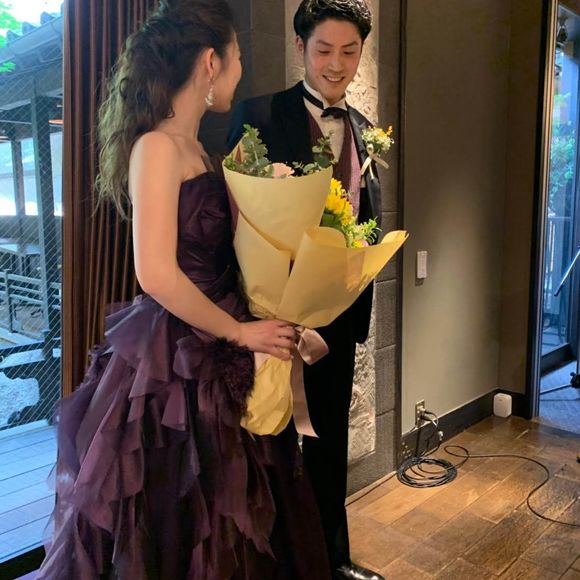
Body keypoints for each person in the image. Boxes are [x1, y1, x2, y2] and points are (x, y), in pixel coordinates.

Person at [37, 1, 331, 578]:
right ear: (210, 62)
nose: (241, 71)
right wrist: (240, 331)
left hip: (225, 335)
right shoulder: (157, 147)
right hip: (177, 355)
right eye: (239, 58)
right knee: (186, 514)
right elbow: (155, 273)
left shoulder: (201, 149)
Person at [228, 2, 384, 579]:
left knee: (329, 444)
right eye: (324, 50)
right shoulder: (258, 115)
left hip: (337, 317)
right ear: (300, 48)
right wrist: (251, 312)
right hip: (269, 318)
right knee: (264, 447)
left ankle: (331, 560)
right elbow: (235, 217)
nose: (337, 65)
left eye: (350, 51)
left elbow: (362, 219)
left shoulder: (364, 129)